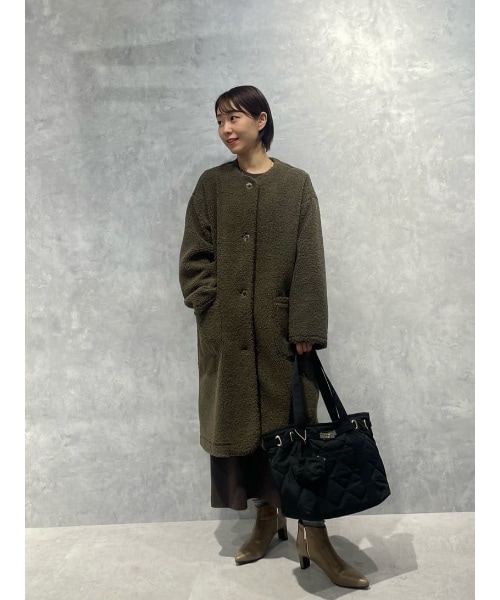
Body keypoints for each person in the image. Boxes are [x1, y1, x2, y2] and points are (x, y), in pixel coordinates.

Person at [179, 85, 368, 589]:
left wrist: (305, 326)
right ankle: (266, 520)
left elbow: (310, 260)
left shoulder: (295, 184)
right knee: (243, 432)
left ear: (261, 120)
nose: (226, 129)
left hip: (282, 337)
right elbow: (194, 258)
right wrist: (212, 306)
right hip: (227, 336)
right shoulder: (211, 185)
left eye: (234, 118)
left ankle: (314, 535)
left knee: (296, 432)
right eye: (219, 120)